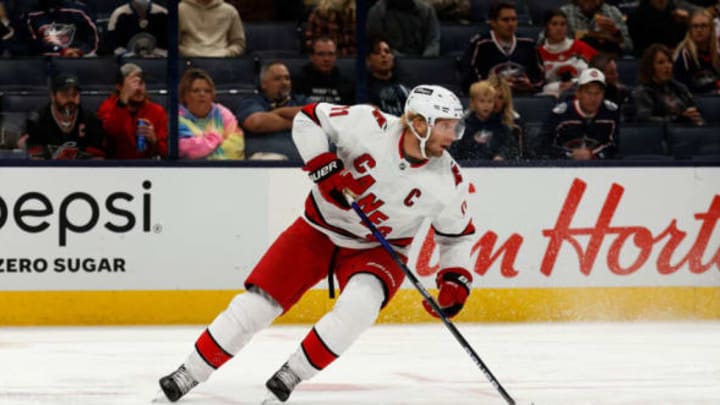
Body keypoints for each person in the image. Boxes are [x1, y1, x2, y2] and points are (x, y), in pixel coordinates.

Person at [157, 85, 476, 403]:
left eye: (455, 127)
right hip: (317, 230)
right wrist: (324, 167)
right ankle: (189, 372)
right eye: (446, 126)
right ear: (419, 123)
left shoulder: (449, 179)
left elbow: (456, 235)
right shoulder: (369, 123)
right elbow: (308, 120)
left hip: (379, 249)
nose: (453, 136)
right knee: (256, 305)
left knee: (358, 309)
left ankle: (291, 374)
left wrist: (455, 278)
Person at [460, 1, 544, 95]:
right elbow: (468, 77)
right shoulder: (480, 44)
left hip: (523, 96)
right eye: (505, 20)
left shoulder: (528, 43)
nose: (511, 24)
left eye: (514, 19)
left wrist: (530, 84)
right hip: (490, 98)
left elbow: (539, 76)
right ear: (493, 22)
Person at [539, 68, 620, 160]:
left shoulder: (611, 112)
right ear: (578, 93)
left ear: (603, 94)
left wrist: (593, 155)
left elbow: (616, 145)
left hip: (601, 167)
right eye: (588, 93)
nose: (593, 98)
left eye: (598, 93)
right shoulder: (560, 114)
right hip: (564, 167)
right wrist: (568, 154)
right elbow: (543, 145)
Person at [235, 61, 307, 160]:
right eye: (277, 79)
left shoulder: (300, 100)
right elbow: (257, 123)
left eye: (287, 78)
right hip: (264, 161)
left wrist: (276, 113)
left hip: (303, 162)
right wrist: (299, 121)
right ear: (264, 84)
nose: (284, 83)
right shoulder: (252, 101)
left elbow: (318, 114)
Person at [25, 73, 105, 159]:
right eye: (65, 95)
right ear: (53, 96)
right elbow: (35, 159)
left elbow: (97, 159)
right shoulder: (37, 121)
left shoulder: (91, 120)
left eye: (74, 95)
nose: (70, 99)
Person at [96, 63, 168, 159]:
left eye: (141, 83)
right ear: (119, 87)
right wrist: (123, 100)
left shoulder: (157, 111)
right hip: (117, 166)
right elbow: (112, 133)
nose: (138, 88)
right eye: (132, 83)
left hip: (148, 168)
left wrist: (154, 140)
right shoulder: (108, 107)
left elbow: (167, 152)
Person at [178, 68, 245, 160]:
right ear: (185, 95)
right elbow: (189, 151)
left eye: (207, 91)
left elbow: (237, 145)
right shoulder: (177, 118)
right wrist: (216, 138)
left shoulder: (223, 113)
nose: (202, 94)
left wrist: (207, 154)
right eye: (196, 91)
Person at [634, 43, 705, 124]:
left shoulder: (680, 88)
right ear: (649, 67)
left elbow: (695, 110)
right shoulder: (643, 92)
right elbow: (646, 120)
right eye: (661, 63)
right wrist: (678, 120)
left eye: (669, 62)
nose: (667, 66)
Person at [450, 80, 519, 161]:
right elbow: (454, 150)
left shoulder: (501, 126)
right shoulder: (463, 126)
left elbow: (509, 147)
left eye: (490, 101)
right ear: (473, 103)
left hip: (496, 169)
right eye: (482, 101)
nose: (486, 105)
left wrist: (501, 156)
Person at [538, 8, 598, 98]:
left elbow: (597, 71)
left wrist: (574, 84)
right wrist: (559, 86)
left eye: (563, 24)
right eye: (554, 24)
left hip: (582, 95)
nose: (559, 28)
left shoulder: (580, 47)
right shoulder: (539, 53)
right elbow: (537, 84)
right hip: (551, 97)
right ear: (546, 27)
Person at [18, 0, 98, 56]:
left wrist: (80, 51)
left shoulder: (79, 10)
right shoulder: (30, 15)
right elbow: (29, 46)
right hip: (45, 61)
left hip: (77, 57)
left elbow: (94, 38)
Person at [292, 36, 355, 105]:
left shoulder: (346, 82)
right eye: (321, 54)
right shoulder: (298, 80)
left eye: (331, 54)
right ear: (311, 57)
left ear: (336, 57)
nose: (326, 59)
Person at [366, 0, 441, 57]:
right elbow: (378, 44)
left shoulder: (427, 10)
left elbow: (432, 42)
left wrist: (423, 61)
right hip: (392, 61)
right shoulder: (377, 12)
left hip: (423, 62)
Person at [560, 0, 633, 57]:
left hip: (606, 63)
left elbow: (628, 47)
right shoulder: (565, 13)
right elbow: (559, 46)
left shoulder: (613, 12)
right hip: (575, 61)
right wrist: (598, 36)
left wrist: (615, 33)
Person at [673, 9, 720, 93]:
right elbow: (681, 89)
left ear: (711, 29)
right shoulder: (684, 55)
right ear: (690, 30)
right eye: (695, 26)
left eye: (703, 26)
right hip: (696, 100)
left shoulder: (717, 53)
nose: (699, 30)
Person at [179, 0, 246, 57]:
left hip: (221, 60)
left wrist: (225, 53)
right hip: (188, 59)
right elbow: (171, 43)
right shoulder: (180, 9)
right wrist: (188, 52)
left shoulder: (230, 11)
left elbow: (239, 44)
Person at [366, 37, 410, 116]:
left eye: (387, 51)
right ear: (369, 60)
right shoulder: (366, 87)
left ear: (393, 56)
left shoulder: (406, 80)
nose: (383, 55)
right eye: (377, 52)